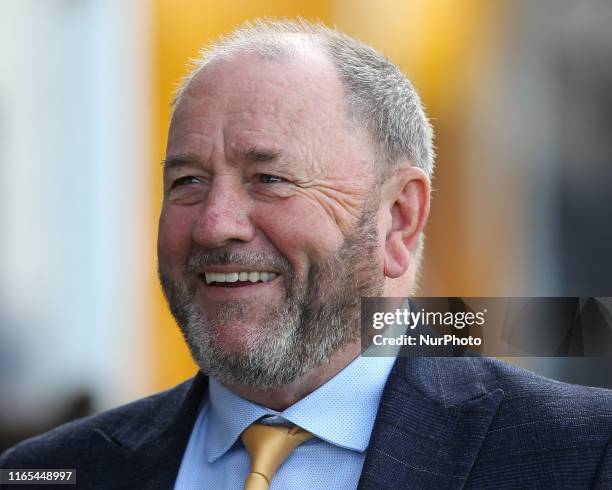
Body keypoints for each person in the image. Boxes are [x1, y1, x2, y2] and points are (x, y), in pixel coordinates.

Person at [1, 19, 611, 489]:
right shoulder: (54, 471)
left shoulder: (581, 456)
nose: (215, 225)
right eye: (187, 181)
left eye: (269, 179)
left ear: (399, 219)